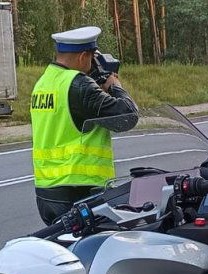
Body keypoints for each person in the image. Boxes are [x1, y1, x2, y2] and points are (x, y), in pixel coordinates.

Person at [31, 26, 138, 225]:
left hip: (47, 191)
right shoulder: (78, 84)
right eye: (91, 59)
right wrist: (115, 86)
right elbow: (127, 116)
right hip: (80, 192)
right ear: (82, 57)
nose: (91, 65)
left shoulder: (44, 82)